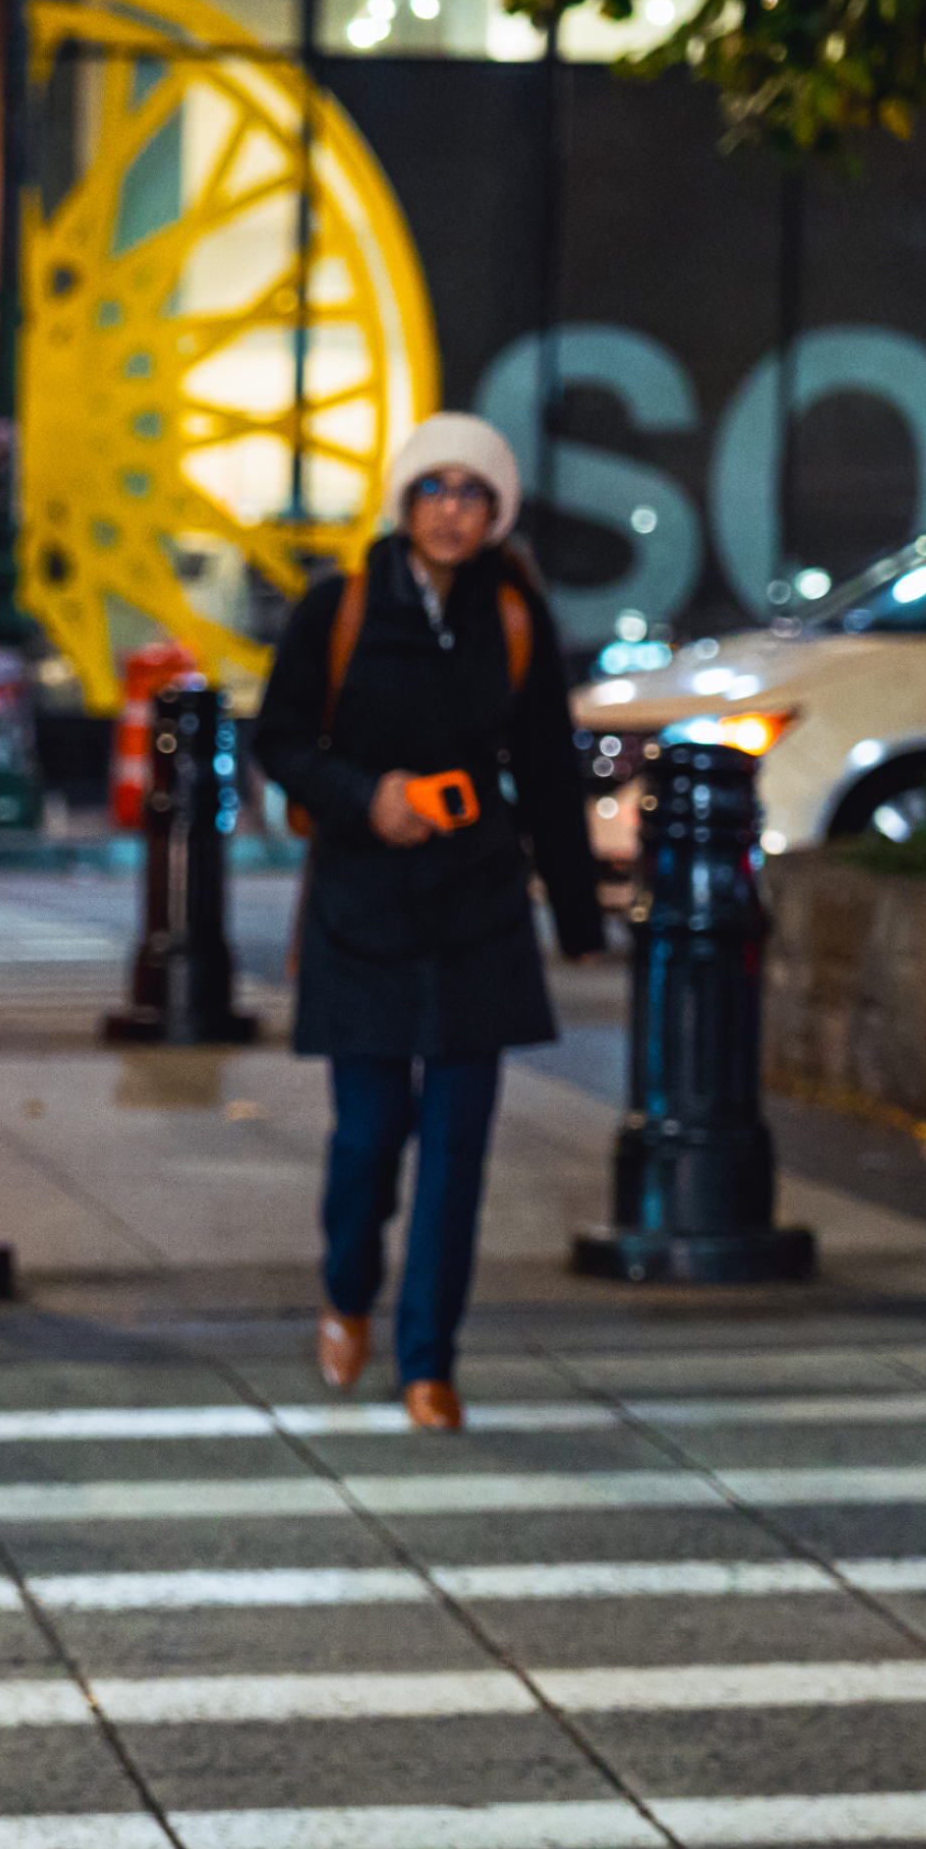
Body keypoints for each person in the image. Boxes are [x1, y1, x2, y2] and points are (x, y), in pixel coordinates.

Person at [252, 414, 606, 1431]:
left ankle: (428, 1360)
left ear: (497, 513)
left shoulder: (515, 613)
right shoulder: (340, 607)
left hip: (479, 908)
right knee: (368, 1137)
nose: (453, 510)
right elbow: (281, 740)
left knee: (458, 1150)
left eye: (473, 493)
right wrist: (372, 797)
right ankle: (346, 1288)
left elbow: (545, 766)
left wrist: (577, 915)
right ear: (405, 503)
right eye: (435, 490)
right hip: (362, 902)